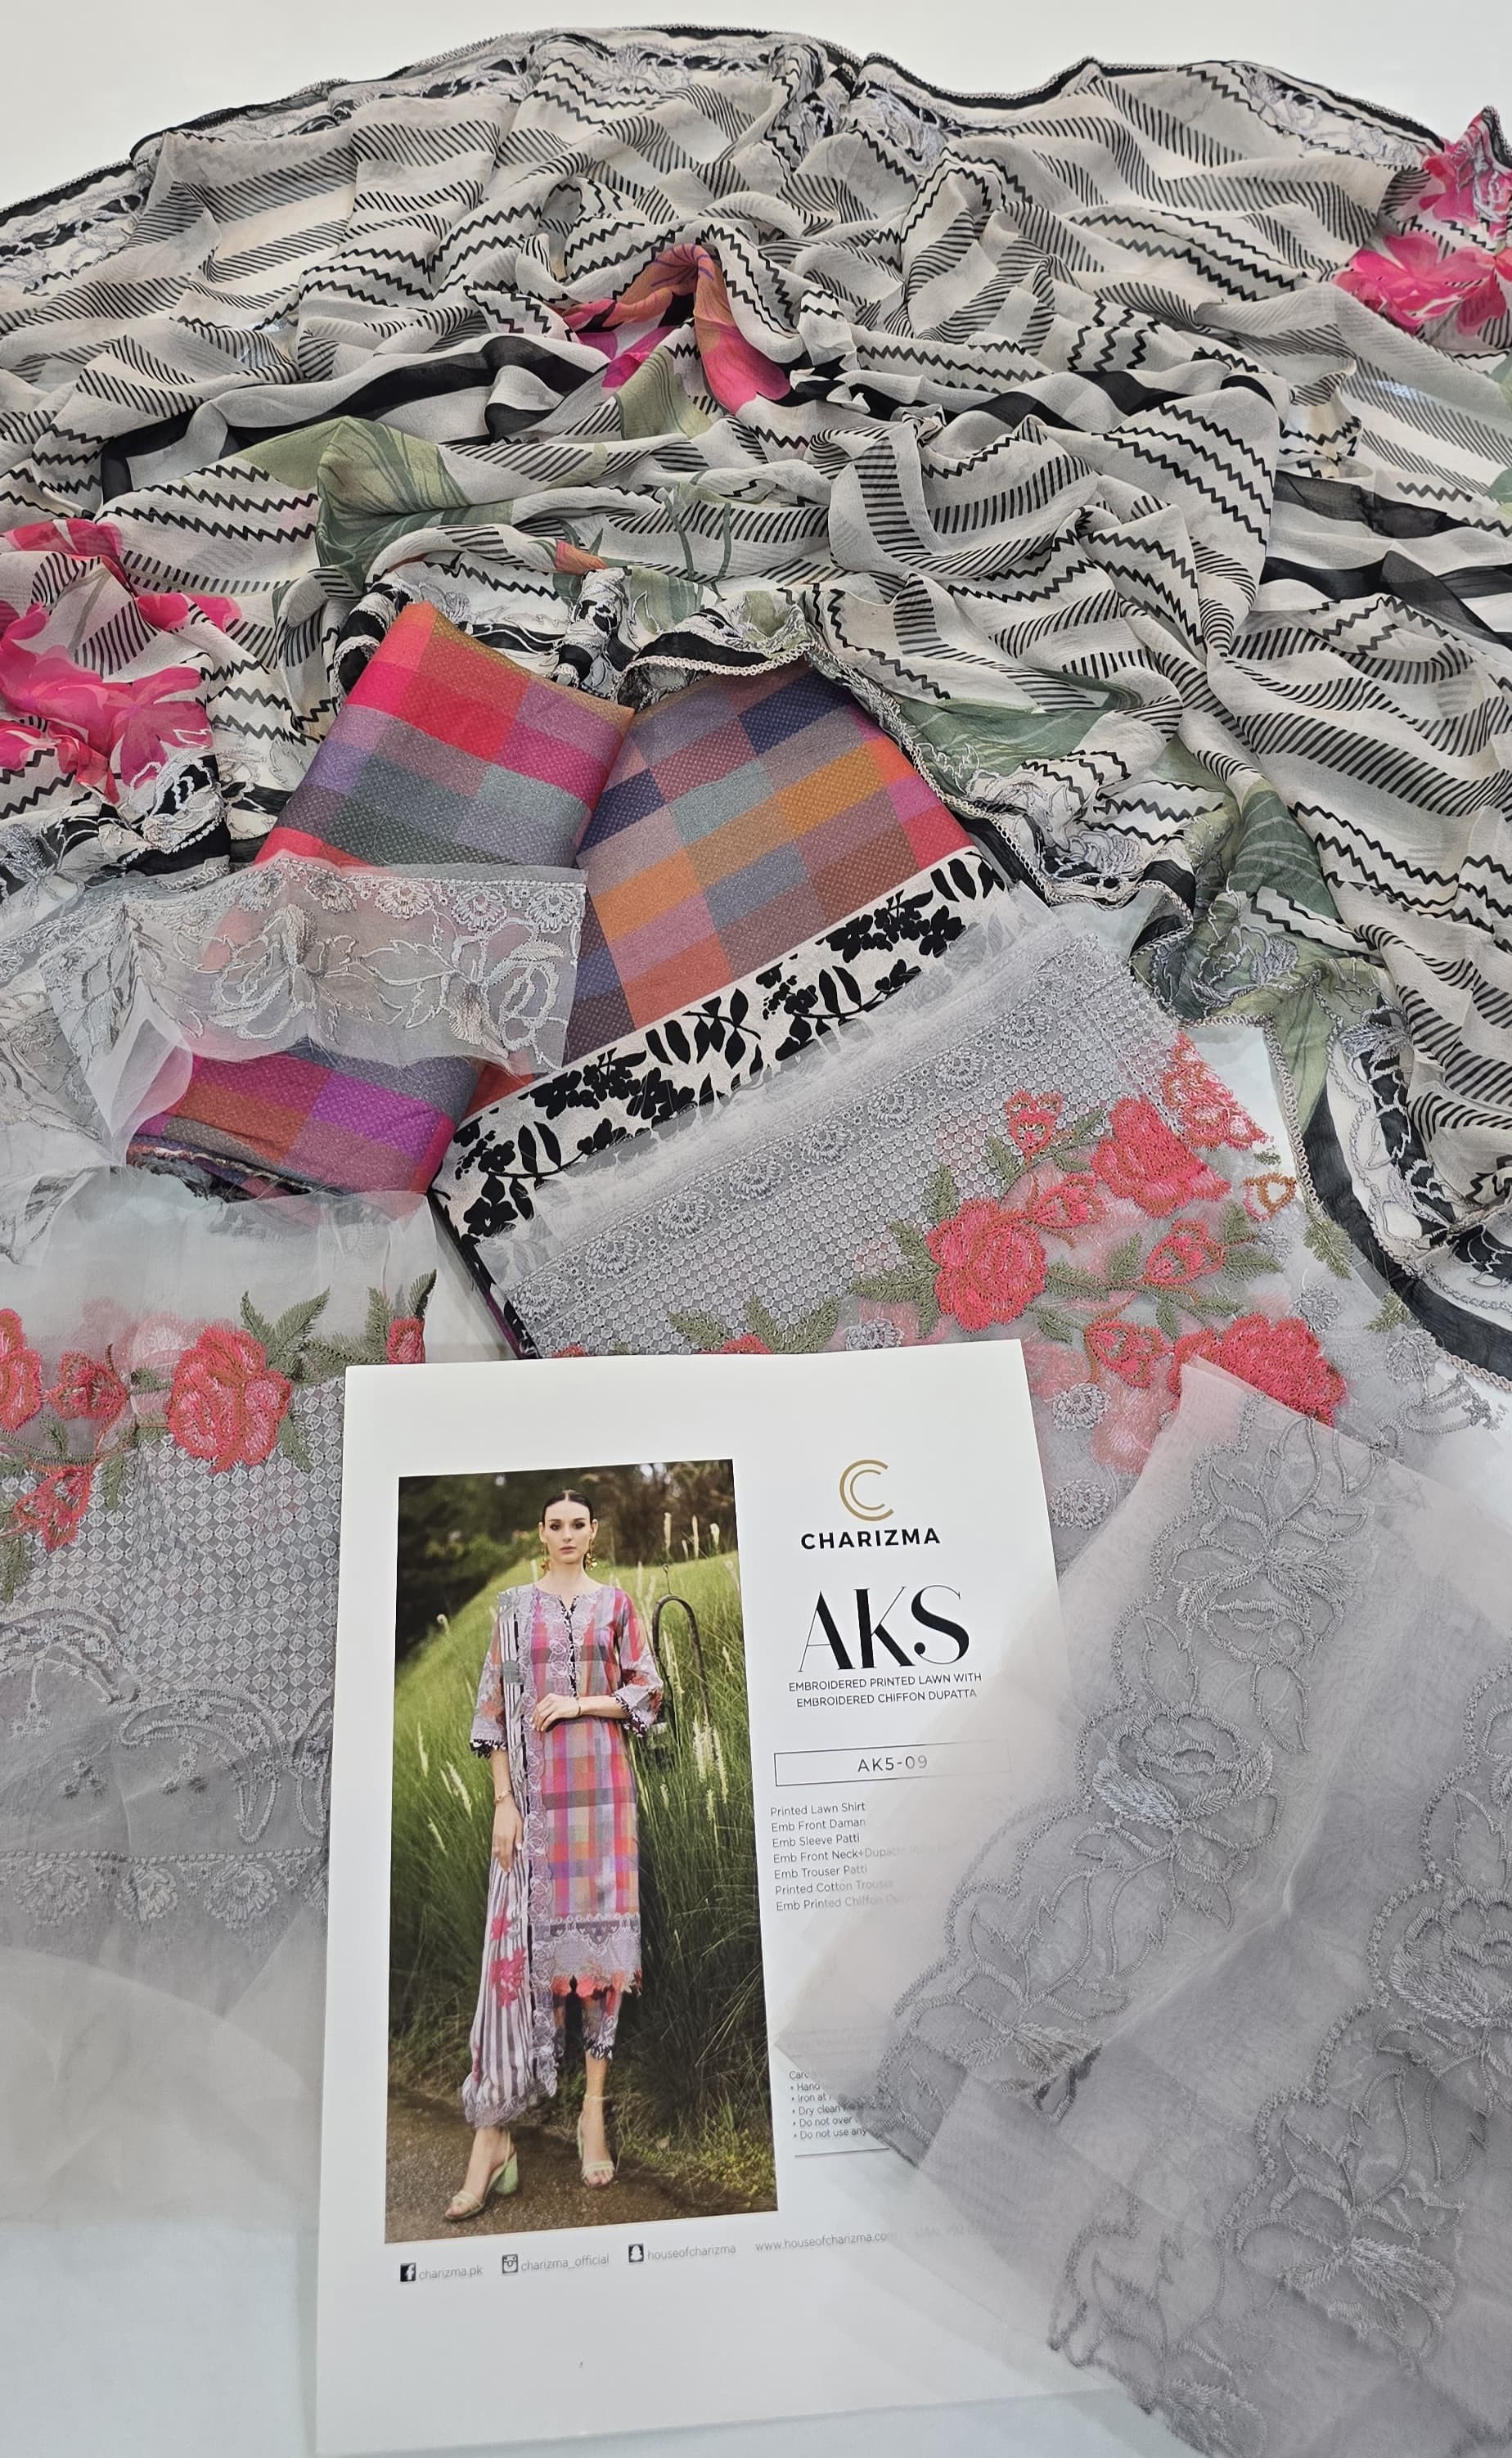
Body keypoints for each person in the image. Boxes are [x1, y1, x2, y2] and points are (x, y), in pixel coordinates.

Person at [446, 1487, 663, 2219]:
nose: (567, 1534)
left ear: (593, 1532)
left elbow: (647, 1690)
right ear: (540, 1533)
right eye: (555, 1525)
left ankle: (591, 2113)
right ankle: (497, 2128)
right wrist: (503, 1802)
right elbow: (494, 1710)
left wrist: (579, 1703)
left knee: (602, 1961)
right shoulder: (512, 1612)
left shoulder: (617, 1605)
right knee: (524, 1950)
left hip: (603, 1798)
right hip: (536, 1806)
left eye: (578, 1524)